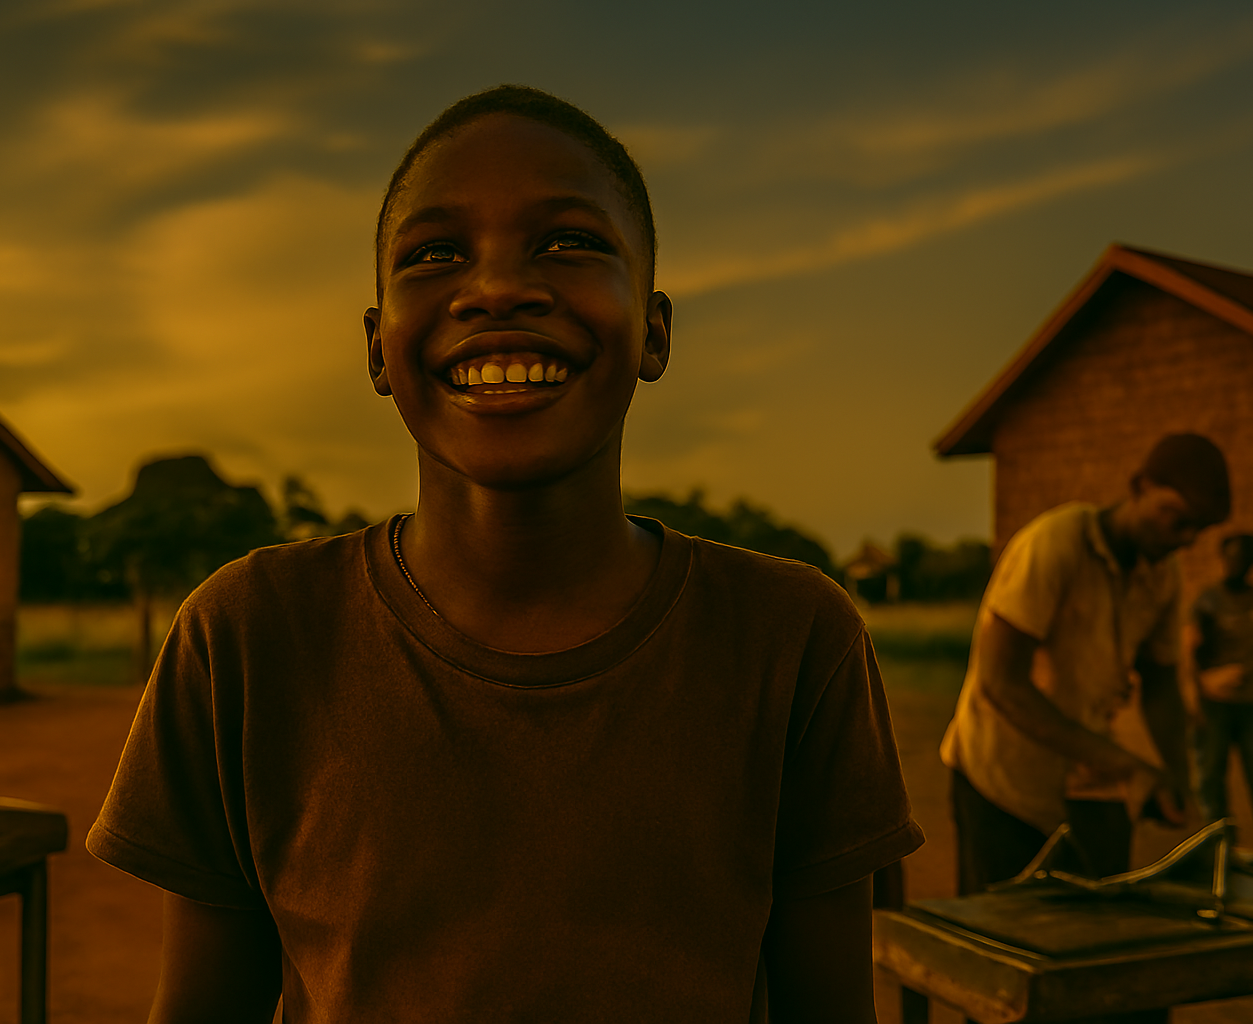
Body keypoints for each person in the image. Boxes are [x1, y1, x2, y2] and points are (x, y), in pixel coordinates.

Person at [87, 85, 922, 1024]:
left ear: (654, 328)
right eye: (436, 254)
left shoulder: (789, 637)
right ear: (375, 348)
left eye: (568, 243)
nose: (496, 289)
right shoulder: (249, 636)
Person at [941, 433, 1231, 899]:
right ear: (1139, 486)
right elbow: (1000, 684)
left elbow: (1160, 686)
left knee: (1098, 917)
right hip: (1000, 776)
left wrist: (1177, 779)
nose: (1185, 539)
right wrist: (1122, 762)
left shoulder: (1162, 574)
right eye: (1176, 520)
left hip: (1084, 776)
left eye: (1197, 529)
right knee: (999, 932)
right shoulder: (1055, 543)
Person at [1191, 532, 1253, 855]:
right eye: (1228, 557)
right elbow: (1186, 651)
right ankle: (1218, 860)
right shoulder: (1208, 601)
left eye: (1241, 558)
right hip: (1215, 707)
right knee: (1210, 788)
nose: (1233, 565)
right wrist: (1202, 684)